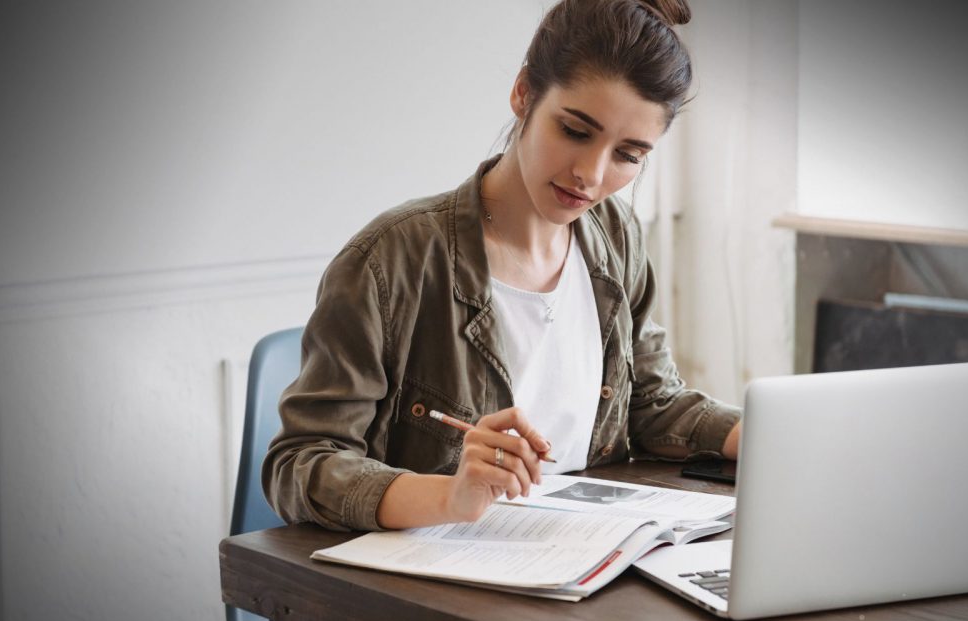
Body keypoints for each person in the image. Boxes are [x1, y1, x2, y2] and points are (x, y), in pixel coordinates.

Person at [264, 0, 742, 532]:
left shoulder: (617, 238)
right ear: (523, 94)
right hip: (432, 584)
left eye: (628, 155)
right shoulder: (391, 261)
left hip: (577, 565)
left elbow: (653, 404)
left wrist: (769, 437)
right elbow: (300, 464)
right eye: (576, 131)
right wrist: (448, 496)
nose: (590, 174)